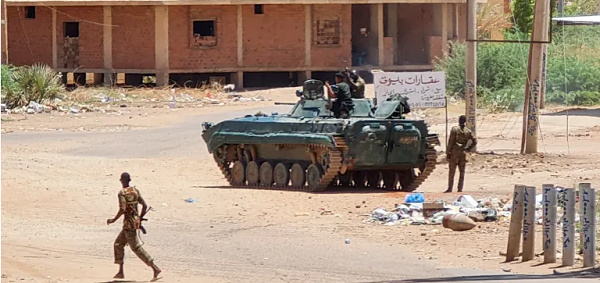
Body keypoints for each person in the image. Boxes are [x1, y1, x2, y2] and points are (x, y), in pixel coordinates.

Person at [107, 172, 161, 281]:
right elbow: (144, 205)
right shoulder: (135, 191)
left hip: (128, 224)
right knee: (118, 244)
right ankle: (120, 272)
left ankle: (155, 268)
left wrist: (113, 220)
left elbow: (122, 209)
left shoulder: (122, 193)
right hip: (133, 223)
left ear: (122, 180)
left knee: (135, 248)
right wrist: (139, 218)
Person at [445, 115, 477, 193]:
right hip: (463, 152)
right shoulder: (468, 131)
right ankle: (460, 188)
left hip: (454, 153)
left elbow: (451, 142)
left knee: (452, 172)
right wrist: (468, 148)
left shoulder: (454, 130)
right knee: (462, 172)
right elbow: (475, 141)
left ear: (459, 121)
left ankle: (450, 188)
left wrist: (448, 152)